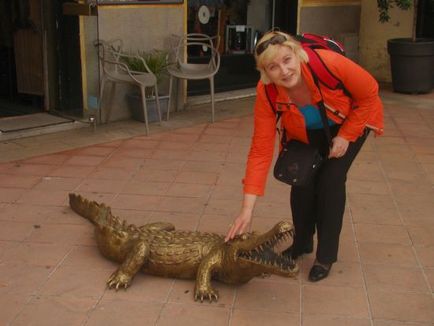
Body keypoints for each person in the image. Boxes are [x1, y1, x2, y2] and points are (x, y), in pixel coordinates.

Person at [225, 31, 384, 282]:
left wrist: (346, 136)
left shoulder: (328, 64)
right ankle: (301, 243)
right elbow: (260, 149)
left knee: (330, 180)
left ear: (297, 54)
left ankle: (326, 256)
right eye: (273, 67)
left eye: (287, 60)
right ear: (265, 72)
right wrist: (247, 209)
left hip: (349, 121)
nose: (285, 71)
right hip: (304, 128)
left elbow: (369, 94)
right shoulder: (267, 91)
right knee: (301, 180)